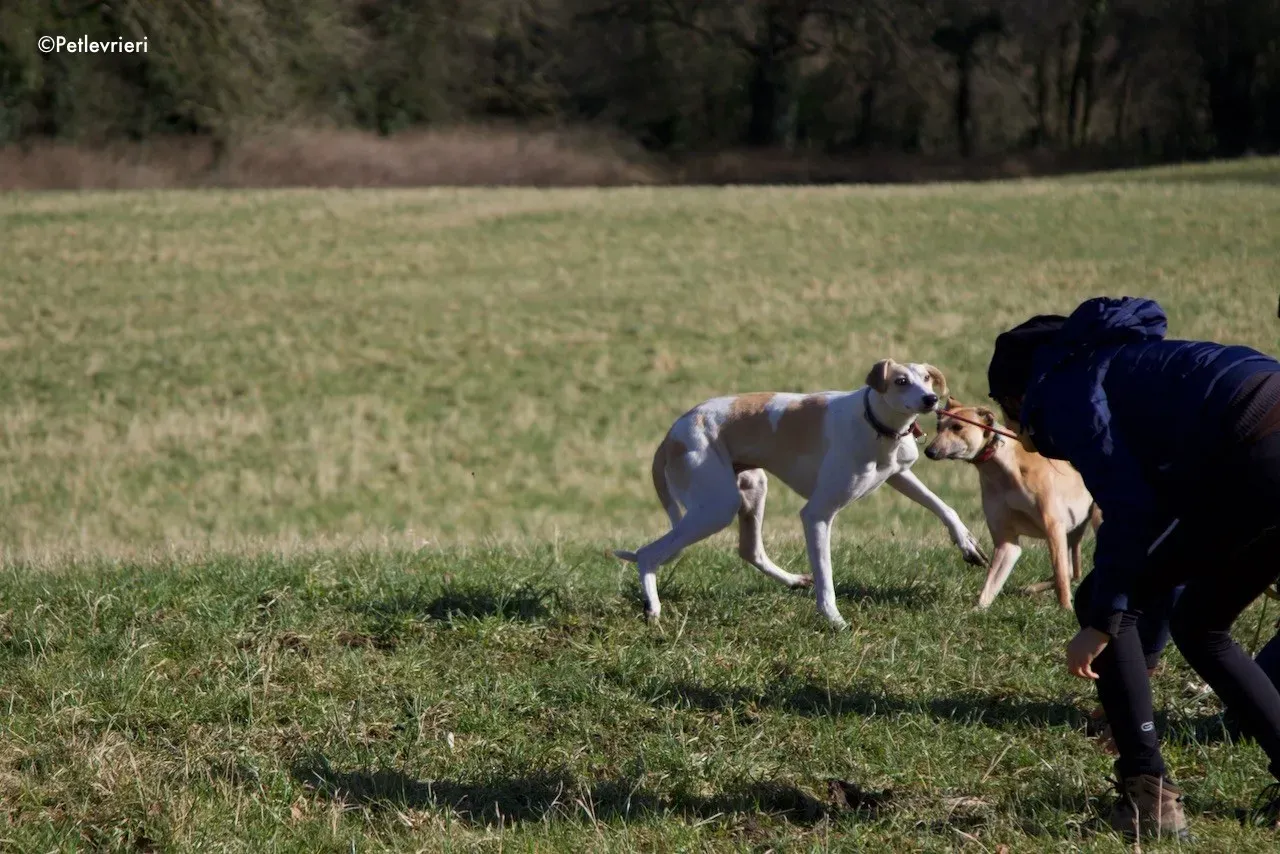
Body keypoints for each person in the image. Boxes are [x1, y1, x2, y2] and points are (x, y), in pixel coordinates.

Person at [985, 295, 1280, 840]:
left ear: (1018, 395)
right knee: (1202, 625)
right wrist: (1138, 649)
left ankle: (1149, 794)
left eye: (1006, 410)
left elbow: (1128, 513)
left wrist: (1102, 624)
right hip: (1260, 441)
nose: (1012, 426)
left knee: (1101, 594)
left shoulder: (1067, 390)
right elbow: (1166, 531)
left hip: (1258, 451)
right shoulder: (1129, 368)